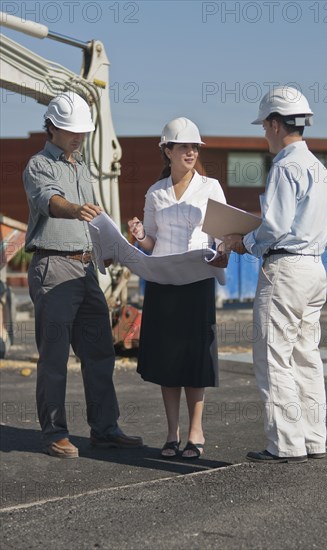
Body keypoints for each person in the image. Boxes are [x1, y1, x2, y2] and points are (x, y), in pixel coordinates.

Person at [23, 91, 143, 458]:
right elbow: (51, 201)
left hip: (86, 268)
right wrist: (76, 209)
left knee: (100, 353)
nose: (78, 136)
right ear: (52, 127)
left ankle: (105, 429)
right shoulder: (38, 165)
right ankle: (54, 433)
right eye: (71, 130)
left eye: (82, 131)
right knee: (55, 356)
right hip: (54, 268)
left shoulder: (82, 167)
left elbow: (94, 219)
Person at [223, 87, 327, 463]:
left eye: (264, 126)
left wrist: (244, 242)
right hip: (315, 269)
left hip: (285, 269)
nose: (263, 133)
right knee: (306, 356)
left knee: (273, 358)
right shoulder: (319, 168)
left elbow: (274, 226)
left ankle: (286, 444)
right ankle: (314, 440)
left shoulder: (285, 166)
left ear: (274, 123)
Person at [128, 117, 227, 459]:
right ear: (166, 150)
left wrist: (223, 252)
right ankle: (172, 433)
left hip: (197, 280)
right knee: (167, 359)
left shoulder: (211, 187)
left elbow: (220, 238)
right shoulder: (155, 192)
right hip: (163, 280)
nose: (190, 151)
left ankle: (196, 431)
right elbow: (152, 243)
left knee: (195, 357)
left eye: (194, 146)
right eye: (183, 146)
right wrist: (140, 235)